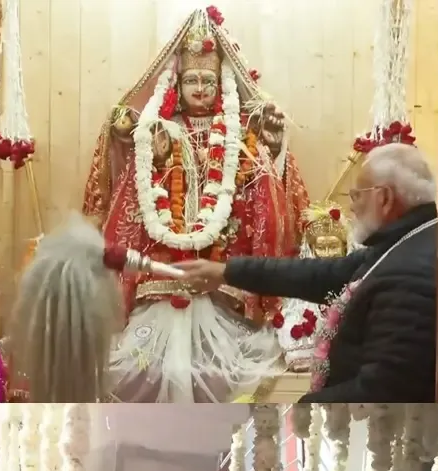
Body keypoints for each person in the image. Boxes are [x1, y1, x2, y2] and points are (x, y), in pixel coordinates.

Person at [71, 6, 309, 403]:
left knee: (259, 184)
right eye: (192, 80)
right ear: (177, 85)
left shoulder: (235, 135)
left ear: (222, 85)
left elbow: (267, 189)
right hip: (162, 266)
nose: (200, 88)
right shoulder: (162, 128)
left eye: (208, 81)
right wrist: (139, 138)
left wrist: (266, 145)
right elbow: (131, 189)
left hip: (221, 274)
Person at [178, 142, 437, 402]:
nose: (352, 207)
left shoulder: (409, 278)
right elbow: (321, 275)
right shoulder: (405, 241)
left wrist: (301, 412)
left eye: (356, 195)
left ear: (384, 198)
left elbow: (381, 393)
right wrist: (227, 272)